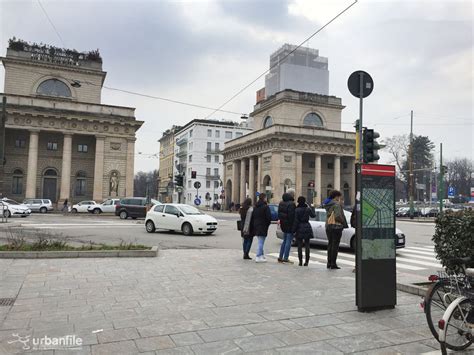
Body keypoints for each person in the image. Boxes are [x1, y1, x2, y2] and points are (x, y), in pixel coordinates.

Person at [324, 190, 348, 269]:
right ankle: (333, 263)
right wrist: (343, 222)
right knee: (335, 245)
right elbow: (337, 216)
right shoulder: (336, 204)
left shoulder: (328, 204)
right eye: (339, 196)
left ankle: (329, 263)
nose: (339, 198)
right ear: (336, 196)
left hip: (328, 226)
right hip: (336, 226)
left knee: (330, 244)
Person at [292, 196, 316, 266]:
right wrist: (313, 208)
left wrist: (293, 230)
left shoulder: (296, 210)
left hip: (299, 227)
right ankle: (307, 261)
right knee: (307, 245)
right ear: (305, 201)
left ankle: (300, 261)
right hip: (307, 226)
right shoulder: (308, 209)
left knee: (299, 245)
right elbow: (313, 216)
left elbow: (295, 221)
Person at [277, 189, 296, 264]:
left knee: (284, 241)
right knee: (288, 241)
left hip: (283, 224)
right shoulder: (291, 204)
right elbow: (292, 216)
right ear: (292, 195)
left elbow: (279, 214)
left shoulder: (281, 202)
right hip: (289, 225)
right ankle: (286, 258)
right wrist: (293, 226)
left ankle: (280, 257)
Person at [252, 194, 272, 263]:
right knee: (261, 242)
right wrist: (267, 224)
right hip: (263, 226)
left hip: (256, 225)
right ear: (264, 198)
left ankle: (261, 255)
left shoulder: (255, 207)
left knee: (260, 240)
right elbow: (269, 217)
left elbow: (253, 216)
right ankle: (258, 256)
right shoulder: (265, 207)